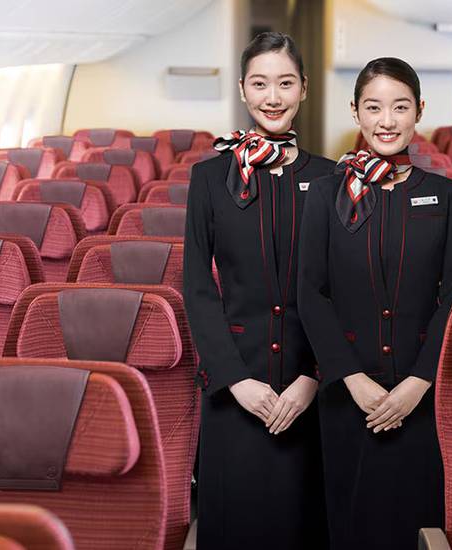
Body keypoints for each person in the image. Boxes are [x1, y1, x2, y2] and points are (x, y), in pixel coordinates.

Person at [297, 57, 452, 550]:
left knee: (416, 525)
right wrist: (354, 380)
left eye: (399, 107)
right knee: (348, 525)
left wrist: (416, 384)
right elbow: (311, 293)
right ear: (356, 112)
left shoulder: (447, 196)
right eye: (374, 107)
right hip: (346, 395)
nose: (387, 121)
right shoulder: (326, 195)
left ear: (419, 111)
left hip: (422, 395)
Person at [183, 31, 333, 550]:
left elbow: (342, 291)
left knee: (305, 528)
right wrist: (235, 381)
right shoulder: (209, 178)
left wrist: (313, 377)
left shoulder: (333, 179)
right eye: (261, 83)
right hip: (234, 390)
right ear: (244, 91)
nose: (273, 96)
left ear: (304, 89)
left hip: (310, 390)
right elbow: (198, 287)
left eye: (285, 83)